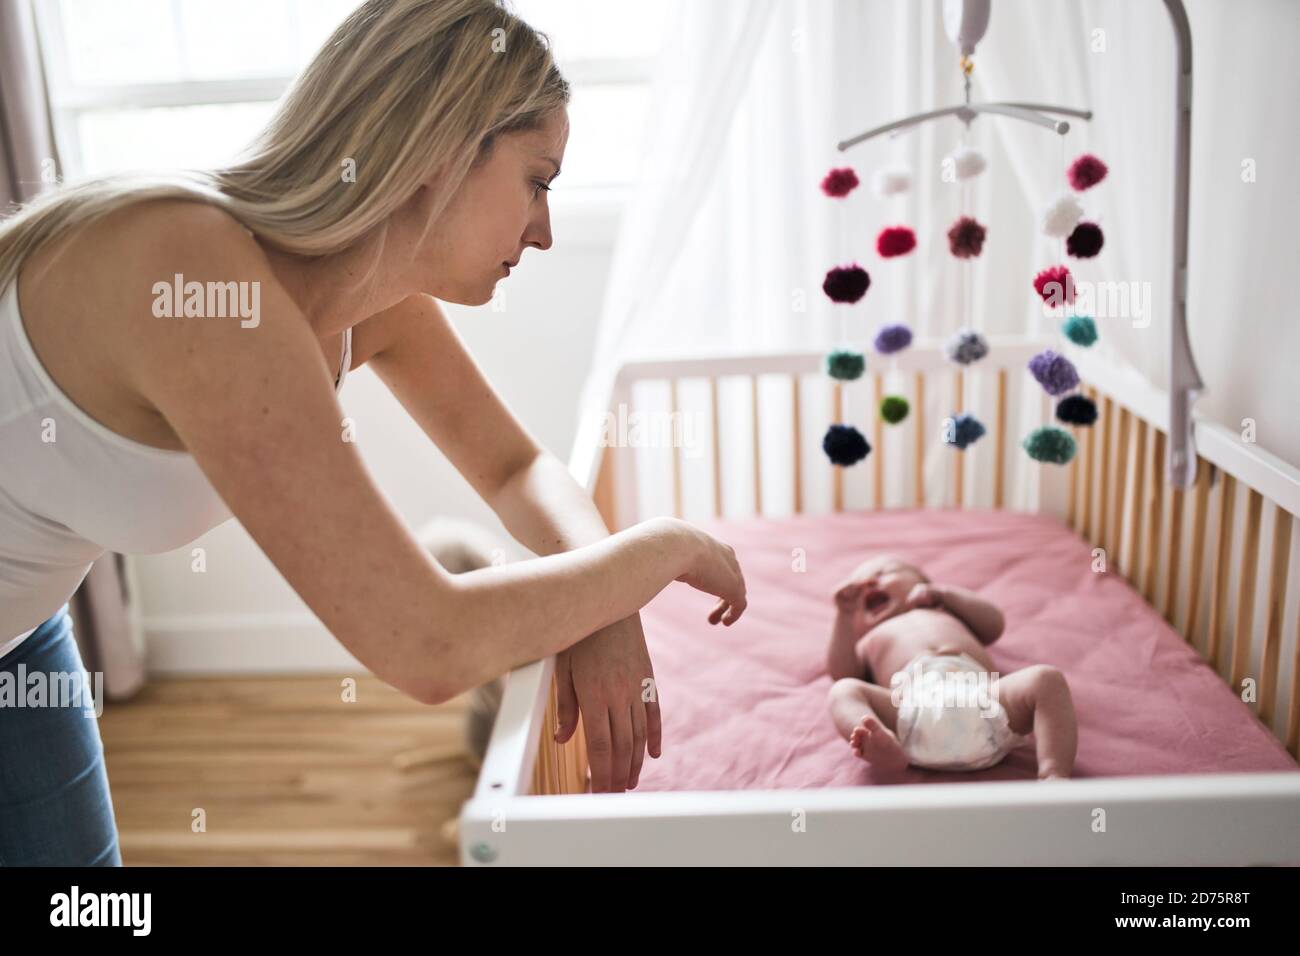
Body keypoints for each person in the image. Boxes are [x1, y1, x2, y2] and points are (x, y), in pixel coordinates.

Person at [0, 0, 747, 865]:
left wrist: (605, 602)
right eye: (538, 181)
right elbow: (427, 644)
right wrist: (663, 550)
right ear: (442, 150)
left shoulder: (366, 301)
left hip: (24, 630)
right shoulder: (193, 270)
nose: (544, 230)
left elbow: (514, 467)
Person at [826, 555, 1076, 779]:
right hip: (910, 710)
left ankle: (1053, 772)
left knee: (1047, 679)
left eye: (883, 573)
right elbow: (842, 671)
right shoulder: (868, 639)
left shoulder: (944, 611)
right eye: (856, 591)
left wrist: (945, 595)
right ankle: (883, 745)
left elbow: (994, 624)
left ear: (921, 582)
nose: (869, 584)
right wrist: (843, 616)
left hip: (985, 703)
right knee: (843, 690)